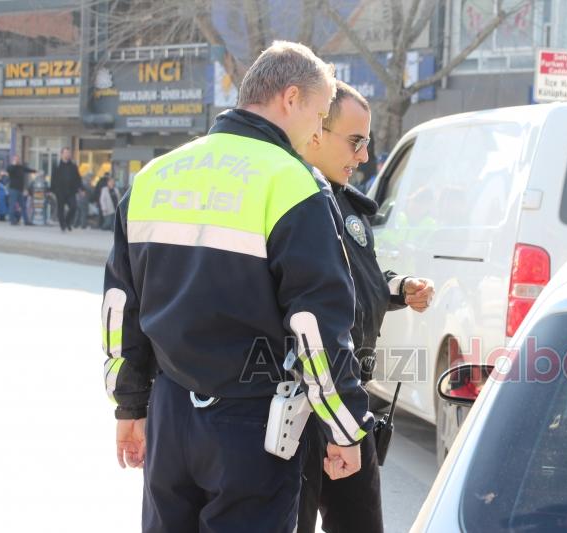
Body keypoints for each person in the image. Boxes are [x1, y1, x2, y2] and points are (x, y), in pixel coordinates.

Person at [101, 41, 373, 533]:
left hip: (168, 415)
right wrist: (344, 426)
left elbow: (121, 310)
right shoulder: (292, 183)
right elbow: (316, 325)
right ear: (291, 98)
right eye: (318, 114)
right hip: (253, 424)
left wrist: (130, 406)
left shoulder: (153, 177)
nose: (316, 132)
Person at [298, 81, 435, 533]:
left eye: (367, 144)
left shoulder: (349, 206)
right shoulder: (294, 203)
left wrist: (397, 288)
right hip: (300, 403)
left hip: (350, 395)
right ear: (317, 131)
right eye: (355, 142)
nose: (363, 156)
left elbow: (358, 278)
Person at [50, 147, 82, 232]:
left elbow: (78, 178)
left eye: (68, 153)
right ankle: (62, 225)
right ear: (62, 154)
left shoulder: (73, 166)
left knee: (73, 207)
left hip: (71, 191)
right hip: (60, 192)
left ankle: (67, 222)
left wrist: (81, 188)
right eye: (65, 153)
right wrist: (52, 190)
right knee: (60, 209)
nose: (67, 154)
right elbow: (53, 179)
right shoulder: (57, 166)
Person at [4, 155, 35, 226]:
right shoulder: (10, 167)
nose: (17, 160)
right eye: (15, 159)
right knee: (12, 205)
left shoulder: (21, 167)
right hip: (13, 190)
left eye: (18, 159)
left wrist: (35, 171)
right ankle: (12, 220)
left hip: (20, 190)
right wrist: (13, 164)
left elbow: (27, 170)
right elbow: (9, 170)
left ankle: (26, 221)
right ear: (13, 160)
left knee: (23, 206)